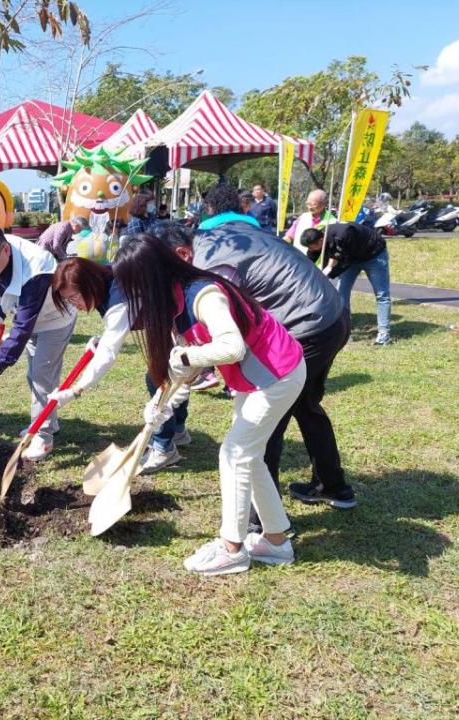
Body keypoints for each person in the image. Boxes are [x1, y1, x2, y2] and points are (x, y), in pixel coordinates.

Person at [114, 234, 306, 575]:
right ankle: (275, 542)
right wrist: (161, 402)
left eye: (138, 286)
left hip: (278, 373)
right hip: (257, 378)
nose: (137, 296)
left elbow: (230, 348)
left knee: (234, 453)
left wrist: (186, 355)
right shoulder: (173, 302)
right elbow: (186, 367)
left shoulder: (203, 294)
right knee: (250, 455)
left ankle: (232, 548)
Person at [192, 183, 356, 521]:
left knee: (264, 422)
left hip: (305, 326)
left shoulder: (211, 245)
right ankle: (333, 485)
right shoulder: (258, 233)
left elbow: (218, 304)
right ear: (240, 206)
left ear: (207, 210)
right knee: (306, 404)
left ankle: (260, 519)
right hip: (333, 316)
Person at [46, 256, 192, 461]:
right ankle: (177, 430)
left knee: (159, 379)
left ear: (89, 284)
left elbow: (108, 353)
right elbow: (116, 327)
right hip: (165, 317)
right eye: (68, 300)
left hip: (180, 317)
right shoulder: (102, 283)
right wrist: (102, 338)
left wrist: (76, 390)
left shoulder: (118, 297)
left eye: (75, 297)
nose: (74, 304)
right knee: (167, 378)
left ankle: (163, 447)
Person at [0, 223, 76, 460]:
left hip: (54, 321)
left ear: (5, 250)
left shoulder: (35, 269)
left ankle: (43, 437)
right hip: (31, 320)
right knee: (34, 375)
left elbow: (21, 330)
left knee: (41, 378)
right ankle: (48, 422)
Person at [301, 222, 392, 345]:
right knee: (341, 294)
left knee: (382, 295)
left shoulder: (343, 234)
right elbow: (310, 261)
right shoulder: (316, 241)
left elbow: (338, 259)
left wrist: (328, 272)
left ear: (321, 240)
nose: (310, 250)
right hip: (351, 258)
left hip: (373, 254)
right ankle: (345, 332)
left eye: (312, 247)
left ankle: (384, 334)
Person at [285, 189, 335, 255]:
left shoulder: (332, 222)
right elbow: (289, 236)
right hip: (298, 258)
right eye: (308, 204)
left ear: (324, 204)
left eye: (313, 204)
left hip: (317, 263)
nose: (310, 207)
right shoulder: (303, 217)